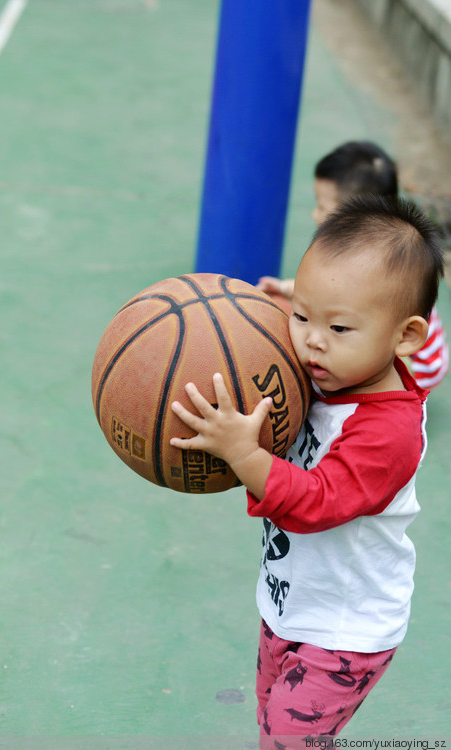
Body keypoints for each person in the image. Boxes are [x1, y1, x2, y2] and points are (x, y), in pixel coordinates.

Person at [170, 196, 444, 742]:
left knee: (286, 740)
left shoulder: (388, 432)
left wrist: (244, 453)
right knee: (271, 722)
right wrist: (272, 319)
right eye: (301, 318)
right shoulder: (326, 372)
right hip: (289, 606)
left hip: (344, 633)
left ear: (406, 337)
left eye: (339, 328)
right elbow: (309, 333)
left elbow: (317, 500)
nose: (311, 340)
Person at [257, 141, 448, 389]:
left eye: (324, 207)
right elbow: (329, 297)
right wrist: (283, 288)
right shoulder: (367, 265)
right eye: (301, 317)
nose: (316, 215)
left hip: (421, 363)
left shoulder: (390, 274)